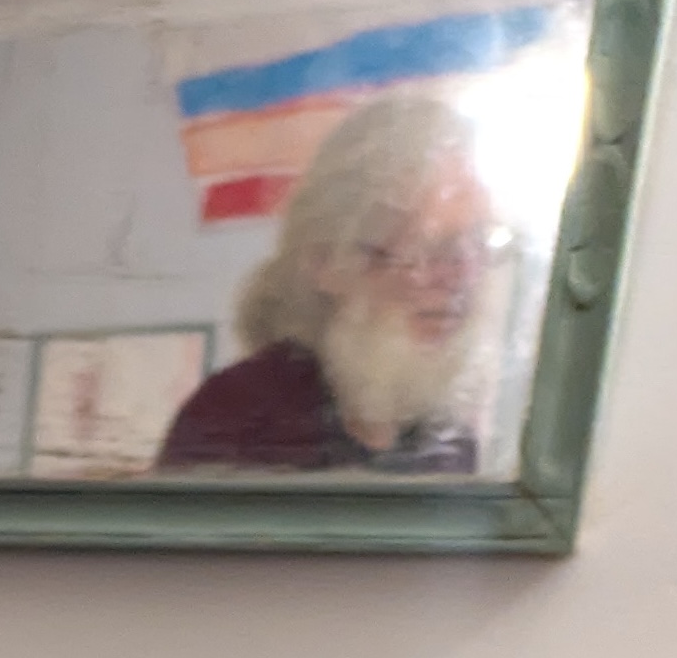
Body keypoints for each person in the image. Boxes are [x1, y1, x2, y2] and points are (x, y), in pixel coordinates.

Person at [154, 91, 507, 475]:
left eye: (478, 242)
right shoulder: (235, 421)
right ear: (325, 262)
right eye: (426, 247)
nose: (463, 276)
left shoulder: (448, 438)